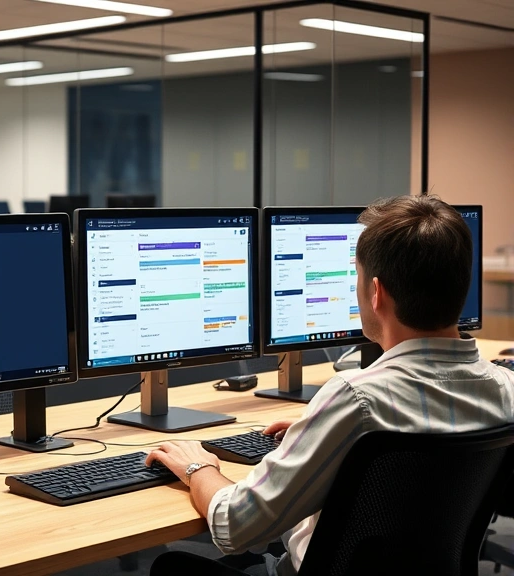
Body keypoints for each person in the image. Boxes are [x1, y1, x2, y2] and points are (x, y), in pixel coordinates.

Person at [147, 196, 514, 576]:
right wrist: (323, 435)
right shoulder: (507, 388)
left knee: (171, 566)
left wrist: (198, 467)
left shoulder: (357, 399)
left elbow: (236, 526)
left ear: (376, 292)